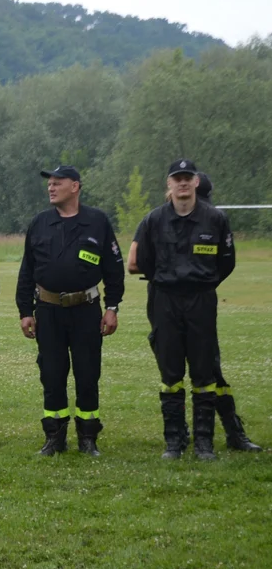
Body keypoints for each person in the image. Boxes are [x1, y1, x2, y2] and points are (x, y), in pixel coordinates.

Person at [127, 172, 260, 453]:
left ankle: (222, 435)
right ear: (170, 186)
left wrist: (203, 280)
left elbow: (225, 261)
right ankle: (185, 437)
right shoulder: (155, 220)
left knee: (209, 371)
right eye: (178, 181)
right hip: (165, 299)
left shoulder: (211, 218)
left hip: (199, 301)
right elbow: (135, 262)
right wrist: (169, 273)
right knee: (179, 368)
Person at [16, 165, 124, 457]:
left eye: (57, 183)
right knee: (51, 374)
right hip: (49, 311)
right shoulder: (39, 223)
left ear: (75, 186)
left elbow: (114, 270)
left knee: (88, 374)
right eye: (49, 184)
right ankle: (55, 436)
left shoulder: (97, 221)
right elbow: (27, 271)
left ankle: (88, 437)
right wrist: (26, 311)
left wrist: (112, 307)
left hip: (86, 310)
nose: (51, 188)